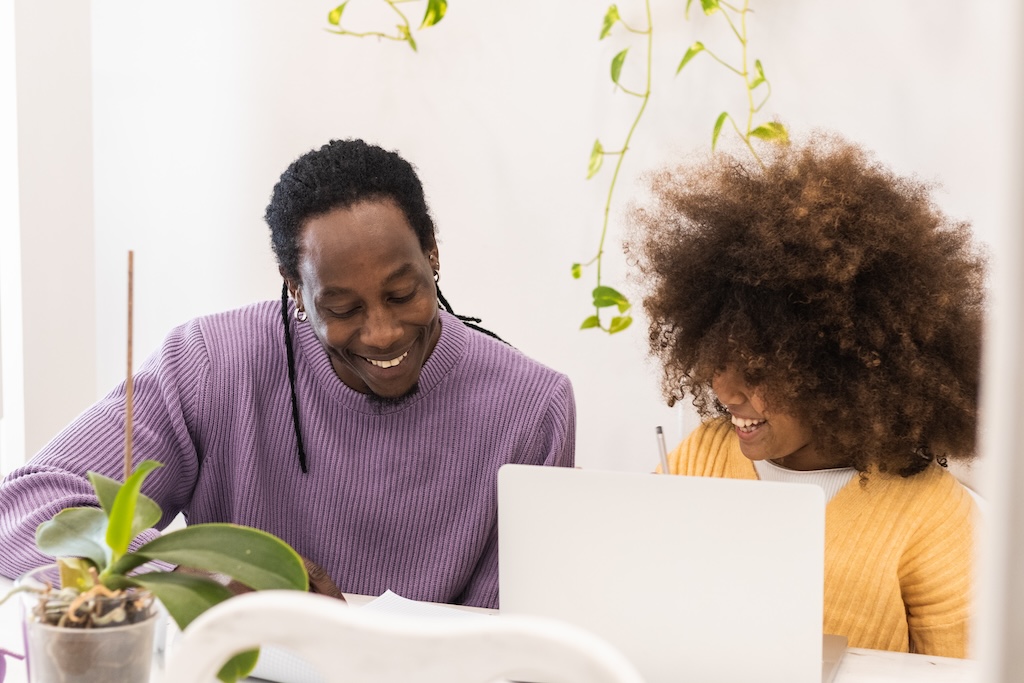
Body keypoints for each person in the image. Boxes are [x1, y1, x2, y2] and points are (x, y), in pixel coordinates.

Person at [0, 139, 576, 609]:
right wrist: (200, 579)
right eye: (343, 309)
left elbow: (518, 635)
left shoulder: (534, 406)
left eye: (402, 294)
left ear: (433, 254)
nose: (381, 332)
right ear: (296, 290)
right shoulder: (213, 362)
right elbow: (25, 507)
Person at [625, 134, 984, 657]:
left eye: (757, 371)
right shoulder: (703, 454)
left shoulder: (930, 514)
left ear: (840, 373)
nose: (725, 391)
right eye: (718, 361)